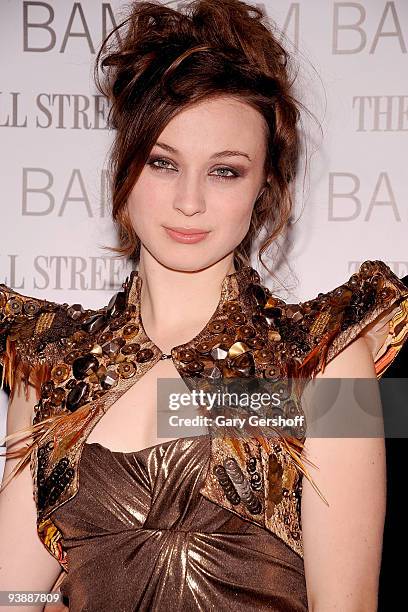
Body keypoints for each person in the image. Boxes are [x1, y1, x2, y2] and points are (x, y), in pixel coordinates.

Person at [1, 1, 408, 610]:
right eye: (163, 162)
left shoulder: (323, 362)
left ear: (263, 186)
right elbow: (13, 593)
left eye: (225, 171)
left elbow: (346, 604)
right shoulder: (52, 366)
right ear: (126, 167)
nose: (189, 200)